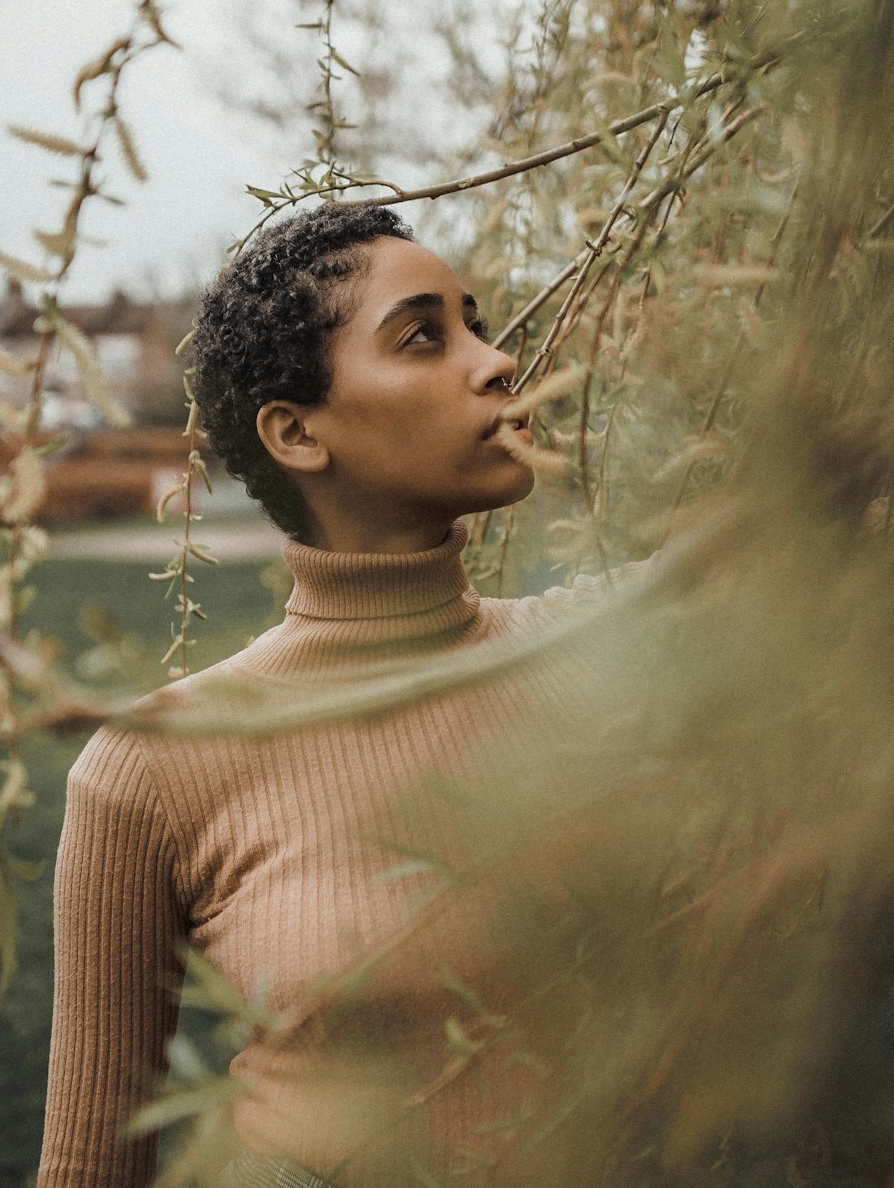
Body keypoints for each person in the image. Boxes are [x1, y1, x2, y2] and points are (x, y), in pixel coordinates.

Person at [36, 204, 632, 1188]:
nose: (495, 361)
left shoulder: (604, 649)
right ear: (297, 433)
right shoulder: (151, 767)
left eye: (475, 324)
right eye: (422, 337)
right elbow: (94, 1165)